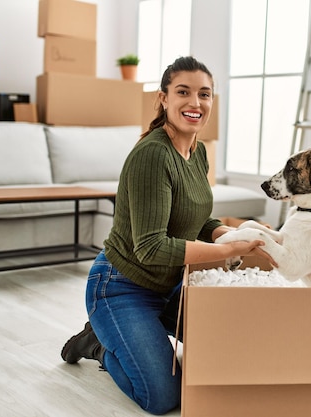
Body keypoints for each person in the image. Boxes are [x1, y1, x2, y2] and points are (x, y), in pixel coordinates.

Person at [60, 56, 274, 415]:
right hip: (121, 286)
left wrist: (234, 232)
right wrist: (228, 250)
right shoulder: (153, 156)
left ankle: (137, 332)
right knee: (162, 396)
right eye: (183, 92)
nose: (195, 103)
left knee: (235, 349)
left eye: (204, 94)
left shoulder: (197, 151)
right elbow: (151, 247)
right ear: (163, 98)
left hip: (172, 285)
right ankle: (99, 344)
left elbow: (196, 217)